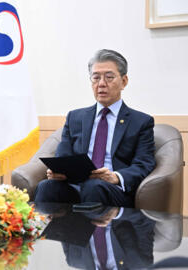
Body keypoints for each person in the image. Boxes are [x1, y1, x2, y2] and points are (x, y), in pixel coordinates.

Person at [34, 49, 156, 207]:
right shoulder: (75, 117)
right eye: (96, 77)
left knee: (94, 187)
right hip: (75, 185)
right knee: (47, 187)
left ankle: (93, 232)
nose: (101, 84)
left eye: (109, 77)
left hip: (112, 189)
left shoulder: (141, 122)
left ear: (124, 81)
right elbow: (63, 156)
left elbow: (143, 164)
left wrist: (116, 176)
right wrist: (58, 172)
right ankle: (43, 232)